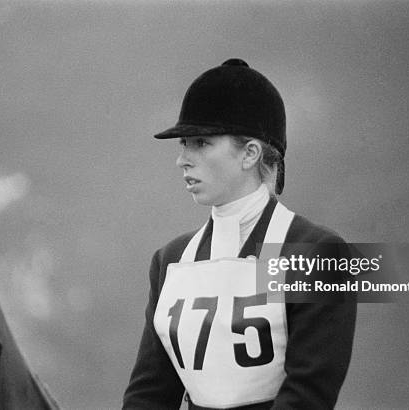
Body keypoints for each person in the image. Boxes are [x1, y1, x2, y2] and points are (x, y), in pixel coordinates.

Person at [123, 58, 357, 409]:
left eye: (201, 143)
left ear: (250, 153)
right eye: (183, 143)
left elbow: (308, 396)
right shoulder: (170, 260)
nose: (182, 159)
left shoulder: (316, 253)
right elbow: (149, 394)